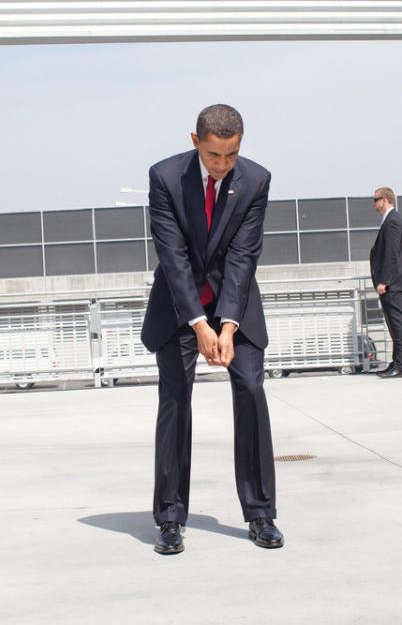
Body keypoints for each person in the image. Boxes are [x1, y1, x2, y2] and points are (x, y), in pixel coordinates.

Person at [141, 104, 282, 555]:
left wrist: (226, 324)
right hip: (179, 305)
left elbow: (244, 255)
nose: (223, 165)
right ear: (195, 141)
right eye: (214, 156)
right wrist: (199, 323)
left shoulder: (256, 180)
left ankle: (261, 513)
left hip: (234, 303)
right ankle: (169, 516)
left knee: (251, 392)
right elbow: (173, 256)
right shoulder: (164, 178)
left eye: (231, 155)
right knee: (176, 399)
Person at [370, 187, 402, 378]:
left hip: (393, 284)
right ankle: (396, 363)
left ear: (385, 200)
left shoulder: (393, 221)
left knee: (397, 325)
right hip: (392, 284)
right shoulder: (389, 220)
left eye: (376, 199)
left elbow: (391, 254)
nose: (374, 204)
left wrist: (384, 281)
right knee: (393, 325)